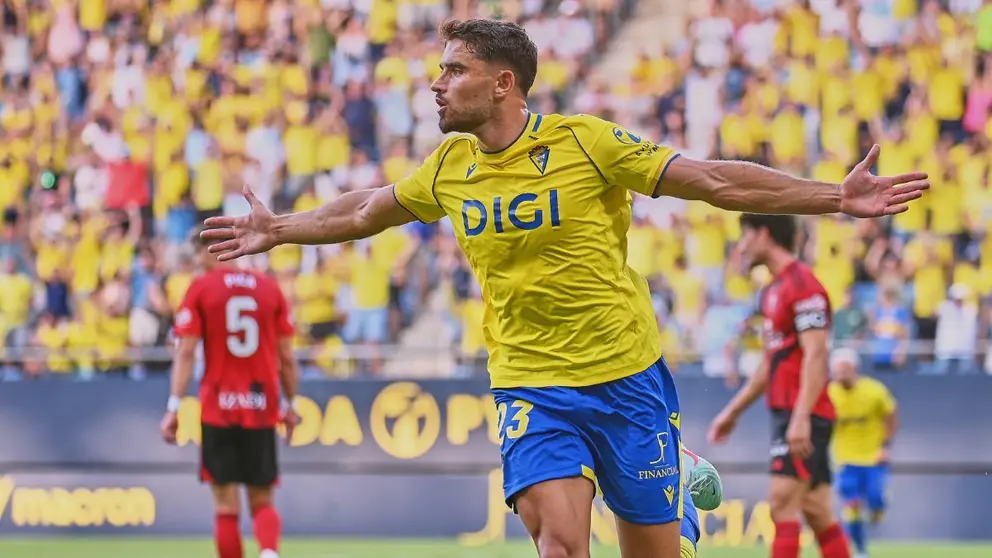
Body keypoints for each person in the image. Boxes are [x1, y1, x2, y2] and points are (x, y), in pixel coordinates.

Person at [200, 19, 927, 558]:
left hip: (625, 376)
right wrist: (282, 228)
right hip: (530, 383)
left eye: (454, 70)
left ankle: (674, 489)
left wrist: (834, 195)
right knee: (561, 546)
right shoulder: (449, 165)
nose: (436, 83)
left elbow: (710, 179)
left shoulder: (588, 143)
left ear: (502, 82)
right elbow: (365, 209)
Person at [708, 214, 851, 558]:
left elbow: (817, 354)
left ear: (764, 235)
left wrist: (800, 417)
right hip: (793, 412)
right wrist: (733, 412)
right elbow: (770, 365)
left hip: (804, 414)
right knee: (817, 511)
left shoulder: (803, 285)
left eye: (746, 236)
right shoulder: (772, 290)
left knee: (781, 504)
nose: (742, 245)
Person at [160, 230, 300, 558]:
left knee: (226, 505)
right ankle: (269, 553)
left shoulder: (201, 289)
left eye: (200, 252)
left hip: (217, 409)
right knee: (262, 499)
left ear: (216, 251)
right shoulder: (270, 289)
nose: (197, 261)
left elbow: (185, 352)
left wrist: (174, 406)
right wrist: (290, 404)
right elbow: (288, 359)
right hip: (261, 406)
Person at [828, 348, 898, 558]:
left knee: (876, 500)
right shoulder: (829, 393)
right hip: (844, 458)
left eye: (844, 370)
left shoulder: (874, 391)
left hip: (873, 457)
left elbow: (892, 415)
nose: (840, 375)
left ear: (855, 369)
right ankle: (860, 550)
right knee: (852, 503)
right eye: (836, 371)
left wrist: (885, 446)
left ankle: (879, 507)